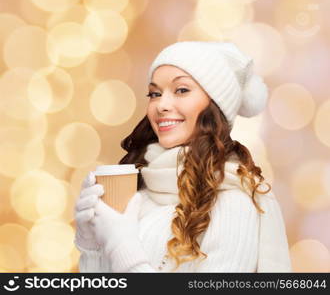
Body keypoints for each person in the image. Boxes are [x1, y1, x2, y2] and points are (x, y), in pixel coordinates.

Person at [74, 41, 292, 272]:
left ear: (215, 106)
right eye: (155, 94)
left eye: (181, 90)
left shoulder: (233, 204)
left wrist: (121, 246)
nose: (162, 105)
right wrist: (92, 244)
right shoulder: (143, 193)